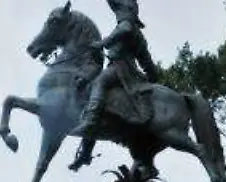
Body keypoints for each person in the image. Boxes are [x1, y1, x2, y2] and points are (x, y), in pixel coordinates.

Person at [68, 0, 160, 171]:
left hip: (120, 69)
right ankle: (85, 152)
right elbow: (146, 60)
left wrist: (101, 44)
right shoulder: (139, 35)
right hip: (124, 70)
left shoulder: (126, 26)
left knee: (99, 83)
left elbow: (123, 31)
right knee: (98, 100)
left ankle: (90, 119)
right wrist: (153, 74)